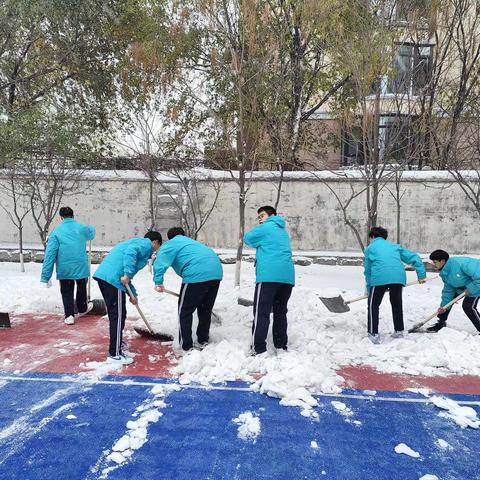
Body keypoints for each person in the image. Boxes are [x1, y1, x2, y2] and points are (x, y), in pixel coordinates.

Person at [93, 232, 163, 365]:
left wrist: (133, 295)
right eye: (158, 246)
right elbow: (130, 255)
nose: (155, 250)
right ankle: (114, 353)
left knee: (120, 314)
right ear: (155, 242)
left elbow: (127, 279)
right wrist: (128, 273)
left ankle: (117, 344)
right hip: (113, 280)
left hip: (108, 277)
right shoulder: (145, 244)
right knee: (117, 315)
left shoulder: (137, 244)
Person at [153, 227, 223, 353]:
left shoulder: (172, 243)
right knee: (205, 310)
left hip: (196, 274)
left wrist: (158, 282)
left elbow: (161, 261)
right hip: (216, 273)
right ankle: (203, 340)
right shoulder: (193, 243)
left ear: (169, 238)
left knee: (184, 311)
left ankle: (186, 346)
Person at [243, 205, 295, 356]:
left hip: (268, 277)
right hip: (286, 278)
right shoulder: (283, 231)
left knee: (261, 312)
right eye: (258, 217)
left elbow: (247, 238)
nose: (260, 219)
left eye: (262, 215)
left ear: (271, 215)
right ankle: (281, 345)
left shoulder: (266, 228)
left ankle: (258, 348)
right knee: (280, 312)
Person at [364, 227, 427, 344]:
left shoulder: (370, 248)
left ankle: (373, 333)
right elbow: (414, 258)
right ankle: (399, 331)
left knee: (373, 305)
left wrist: (369, 287)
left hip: (379, 278)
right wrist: (421, 275)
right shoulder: (395, 247)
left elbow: (368, 270)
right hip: (398, 278)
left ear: (372, 237)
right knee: (396, 303)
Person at [41, 207, 95, 325]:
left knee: (66, 290)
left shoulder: (56, 232)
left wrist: (46, 276)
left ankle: (69, 315)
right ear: (73, 215)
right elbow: (91, 234)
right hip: (80, 266)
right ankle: (82, 308)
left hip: (64, 268)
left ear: (61, 217)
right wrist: (90, 228)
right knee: (81, 287)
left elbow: (50, 254)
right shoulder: (81, 228)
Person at [427, 250, 480, 333]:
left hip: (477, 285)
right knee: (447, 302)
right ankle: (441, 323)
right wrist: (444, 307)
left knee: (468, 306)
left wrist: (471, 289)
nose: (433, 264)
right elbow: (448, 291)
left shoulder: (460, 263)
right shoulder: (444, 272)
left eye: (435, 262)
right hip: (464, 287)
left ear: (443, 261)